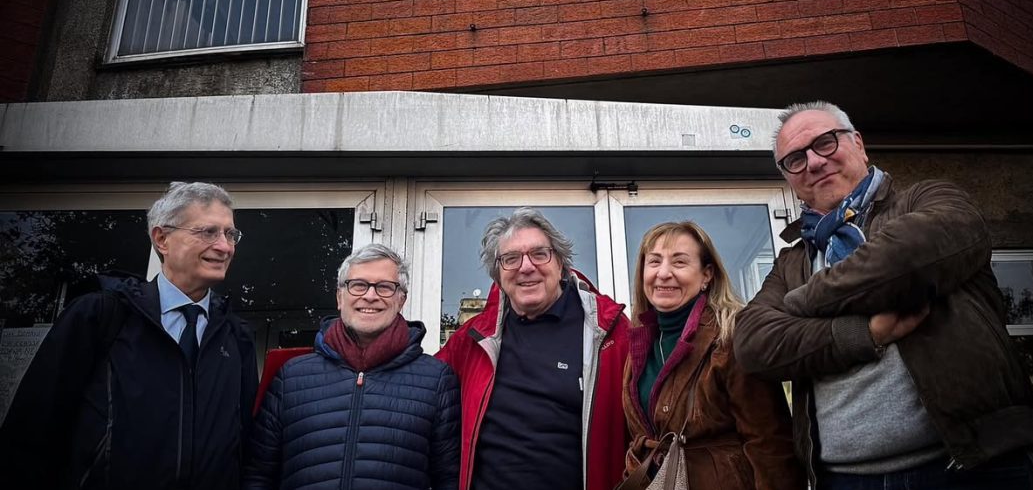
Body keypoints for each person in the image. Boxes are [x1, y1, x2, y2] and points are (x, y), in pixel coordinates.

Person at [734, 101, 1033, 489]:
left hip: (972, 465)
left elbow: (906, 261)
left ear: (858, 143)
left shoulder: (930, 198)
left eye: (825, 143)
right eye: (795, 159)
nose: (813, 162)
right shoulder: (792, 261)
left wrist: (800, 304)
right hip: (844, 479)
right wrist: (868, 333)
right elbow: (753, 344)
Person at [0, 181, 258, 489]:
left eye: (230, 234)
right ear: (162, 238)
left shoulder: (236, 336)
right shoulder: (100, 316)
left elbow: (244, 444)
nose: (225, 246)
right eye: (208, 232)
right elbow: (30, 437)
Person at [436, 207, 630, 490]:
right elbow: (421, 392)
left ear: (561, 262)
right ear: (498, 274)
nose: (526, 267)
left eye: (539, 254)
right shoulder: (473, 339)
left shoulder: (609, 333)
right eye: (511, 259)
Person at [243, 243, 459, 489]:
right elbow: (258, 474)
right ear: (339, 297)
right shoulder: (291, 377)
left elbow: (449, 479)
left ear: (401, 300)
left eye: (385, 287)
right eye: (358, 285)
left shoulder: (437, 380)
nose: (370, 295)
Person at [622, 221, 805, 489]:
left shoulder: (731, 335)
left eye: (679, 262)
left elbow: (769, 442)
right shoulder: (641, 343)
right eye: (654, 262)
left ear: (707, 275)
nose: (663, 273)